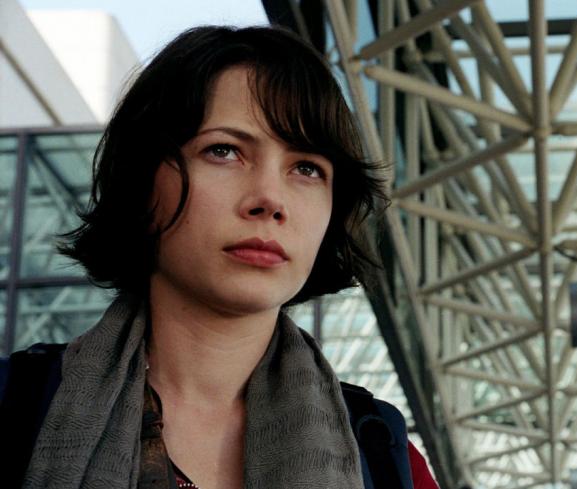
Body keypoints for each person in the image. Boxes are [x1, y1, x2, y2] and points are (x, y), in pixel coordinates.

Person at [0, 25, 439, 489]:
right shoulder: (16, 409)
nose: (270, 199)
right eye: (224, 151)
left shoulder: (384, 455)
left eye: (307, 168)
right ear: (142, 181)